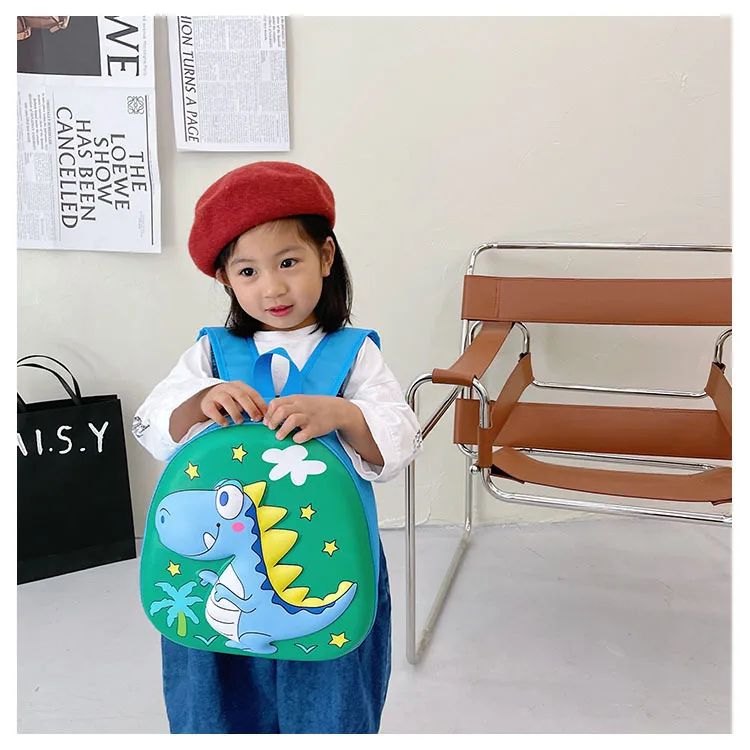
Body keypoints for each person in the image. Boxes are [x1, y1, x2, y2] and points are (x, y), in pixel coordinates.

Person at [132, 161, 421, 734]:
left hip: (330, 554)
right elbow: (154, 426)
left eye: (288, 262)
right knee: (214, 679)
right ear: (226, 280)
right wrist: (201, 399)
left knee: (331, 685)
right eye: (248, 271)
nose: (272, 287)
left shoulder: (354, 352)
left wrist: (343, 413)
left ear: (326, 256)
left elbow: (398, 438)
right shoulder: (212, 352)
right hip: (222, 559)